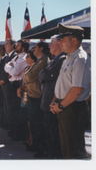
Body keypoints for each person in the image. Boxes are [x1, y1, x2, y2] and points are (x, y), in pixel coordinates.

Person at [50, 23, 91, 159]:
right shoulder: (68, 58)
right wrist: (55, 102)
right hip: (64, 106)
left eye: (63, 40)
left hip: (72, 108)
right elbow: (63, 83)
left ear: (74, 40)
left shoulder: (80, 59)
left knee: (74, 149)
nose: (60, 43)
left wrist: (61, 105)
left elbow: (77, 90)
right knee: (66, 148)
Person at [38, 35, 66, 159]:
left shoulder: (62, 59)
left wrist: (43, 74)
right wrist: (43, 74)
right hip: (48, 100)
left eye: (51, 43)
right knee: (48, 130)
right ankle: (49, 153)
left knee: (53, 131)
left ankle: (53, 156)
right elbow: (43, 74)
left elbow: (47, 74)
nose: (49, 46)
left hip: (52, 100)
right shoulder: (55, 59)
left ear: (59, 44)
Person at [23, 41, 50, 158]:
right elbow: (27, 76)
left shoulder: (44, 61)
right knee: (34, 124)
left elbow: (29, 76)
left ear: (42, 48)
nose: (33, 49)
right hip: (33, 95)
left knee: (38, 124)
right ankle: (36, 145)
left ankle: (41, 149)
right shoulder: (39, 61)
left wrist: (26, 75)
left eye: (36, 47)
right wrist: (27, 75)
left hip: (37, 96)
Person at [2, 39, 29, 140]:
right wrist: (11, 68)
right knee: (11, 109)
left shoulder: (24, 58)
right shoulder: (17, 57)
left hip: (17, 86)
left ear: (23, 47)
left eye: (18, 45)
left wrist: (11, 69)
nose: (16, 47)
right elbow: (6, 66)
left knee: (16, 109)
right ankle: (13, 130)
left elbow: (15, 72)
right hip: (12, 84)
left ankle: (18, 133)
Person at [17, 48, 37, 146]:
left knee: (31, 119)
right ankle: (28, 137)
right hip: (24, 96)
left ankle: (32, 139)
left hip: (30, 95)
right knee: (26, 118)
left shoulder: (34, 68)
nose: (26, 58)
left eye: (28, 56)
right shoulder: (27, 68)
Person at [0, 39, 17, 130]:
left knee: (11, 107)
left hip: (10, 85)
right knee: (6, 106)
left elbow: (12, 72)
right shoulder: (7, 57)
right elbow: (3, 70)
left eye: (7, 44)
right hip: (4, 85)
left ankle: (12, 128)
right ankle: (8, 125)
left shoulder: (15, 56)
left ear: (13, 45)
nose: (5, 46)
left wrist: (4, 80)